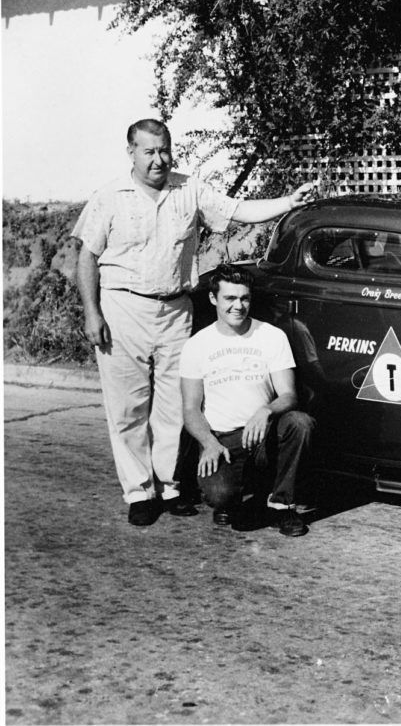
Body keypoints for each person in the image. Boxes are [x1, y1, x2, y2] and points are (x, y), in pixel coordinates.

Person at [72, 118, 316, 526]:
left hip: (174, 308)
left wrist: (288, 202)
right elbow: (86, 258)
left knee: (171, 406)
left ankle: (169, 487)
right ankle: (139, 493)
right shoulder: (109, 197)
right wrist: (92, 312)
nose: (159, 160)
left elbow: (238, 212)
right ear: (130, 152)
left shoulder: (189, 188)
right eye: (149, 151)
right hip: (122, 308)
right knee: (128, 408)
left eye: (164, 150)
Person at [179, 265, 315, 537]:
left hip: (263, 434)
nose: (238, 306)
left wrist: (266, 410)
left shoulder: (272, 336)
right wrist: (208, 443)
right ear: (213, 299)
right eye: (230, 298)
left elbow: (289, 394)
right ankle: (235, 496)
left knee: (300, 423)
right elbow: (191, 408)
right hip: (224, 440)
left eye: (244, 298)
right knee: (220, 498)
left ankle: (281, 505)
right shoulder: (197, 344)